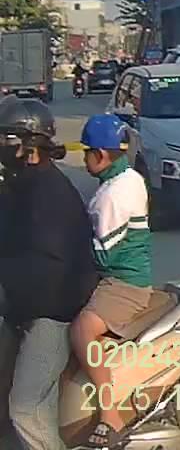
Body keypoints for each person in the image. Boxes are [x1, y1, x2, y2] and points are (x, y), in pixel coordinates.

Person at [0, 98, 98, 450]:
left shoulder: (50, 195)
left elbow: (47, 270)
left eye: (6, 138)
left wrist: (11, 294)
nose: (1, 145)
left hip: (51, 315)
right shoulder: (21, 183)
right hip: (22, 308)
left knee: (25, 408)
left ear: (28, 146)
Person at [69, 114, 152, 448]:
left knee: (82, 330)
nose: (84, 159)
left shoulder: (113, 195)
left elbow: (101, 254)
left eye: (87, 152)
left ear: (100, 155)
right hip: (118, 275)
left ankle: (110, 416)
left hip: (124, 283)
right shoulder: (127, 178)